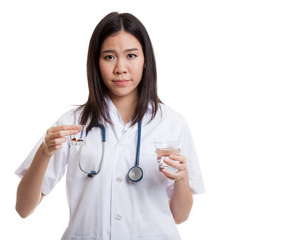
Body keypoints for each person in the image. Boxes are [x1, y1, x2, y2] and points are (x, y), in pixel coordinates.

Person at [15, 11, 205, 240]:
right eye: (109, 57)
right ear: (96, 63)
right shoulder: (72, 124)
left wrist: (182, 177)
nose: (120, 68)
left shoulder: (172, 123)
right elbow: (23, 209)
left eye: (131, 56)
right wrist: (44, 153)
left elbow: (180, 216)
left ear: (146, 61)